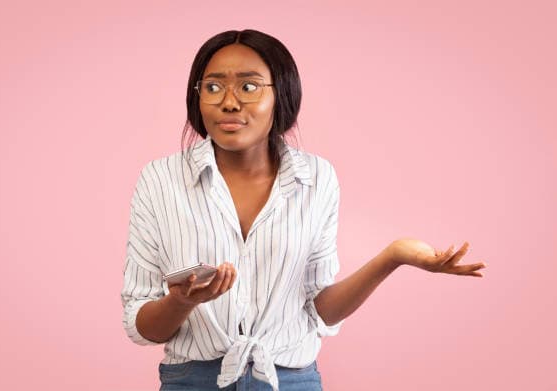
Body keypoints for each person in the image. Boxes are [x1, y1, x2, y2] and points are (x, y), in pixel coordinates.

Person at [120, 29, 487, 391]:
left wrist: (394, 256)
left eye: (248, 87)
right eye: (213, 87)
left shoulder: (317, 178)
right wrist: (180, 301)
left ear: (282, 94)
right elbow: (143, 326)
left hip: (292, 381)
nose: (229, 102)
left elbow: (321, 309)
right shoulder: (160, 180)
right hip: (194, 382)